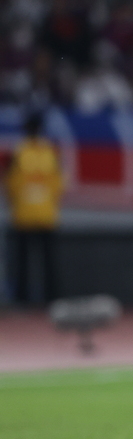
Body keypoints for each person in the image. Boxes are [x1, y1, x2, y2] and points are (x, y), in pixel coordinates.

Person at [3, 110, 64, 305]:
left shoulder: (19, 151)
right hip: (46, 214)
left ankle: (23, 299)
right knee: (49, 262)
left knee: (22, 262)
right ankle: (51, 298)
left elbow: (9, 182)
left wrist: (14, 202)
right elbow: (59, 182)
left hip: (24, 214)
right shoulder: (50, 152)